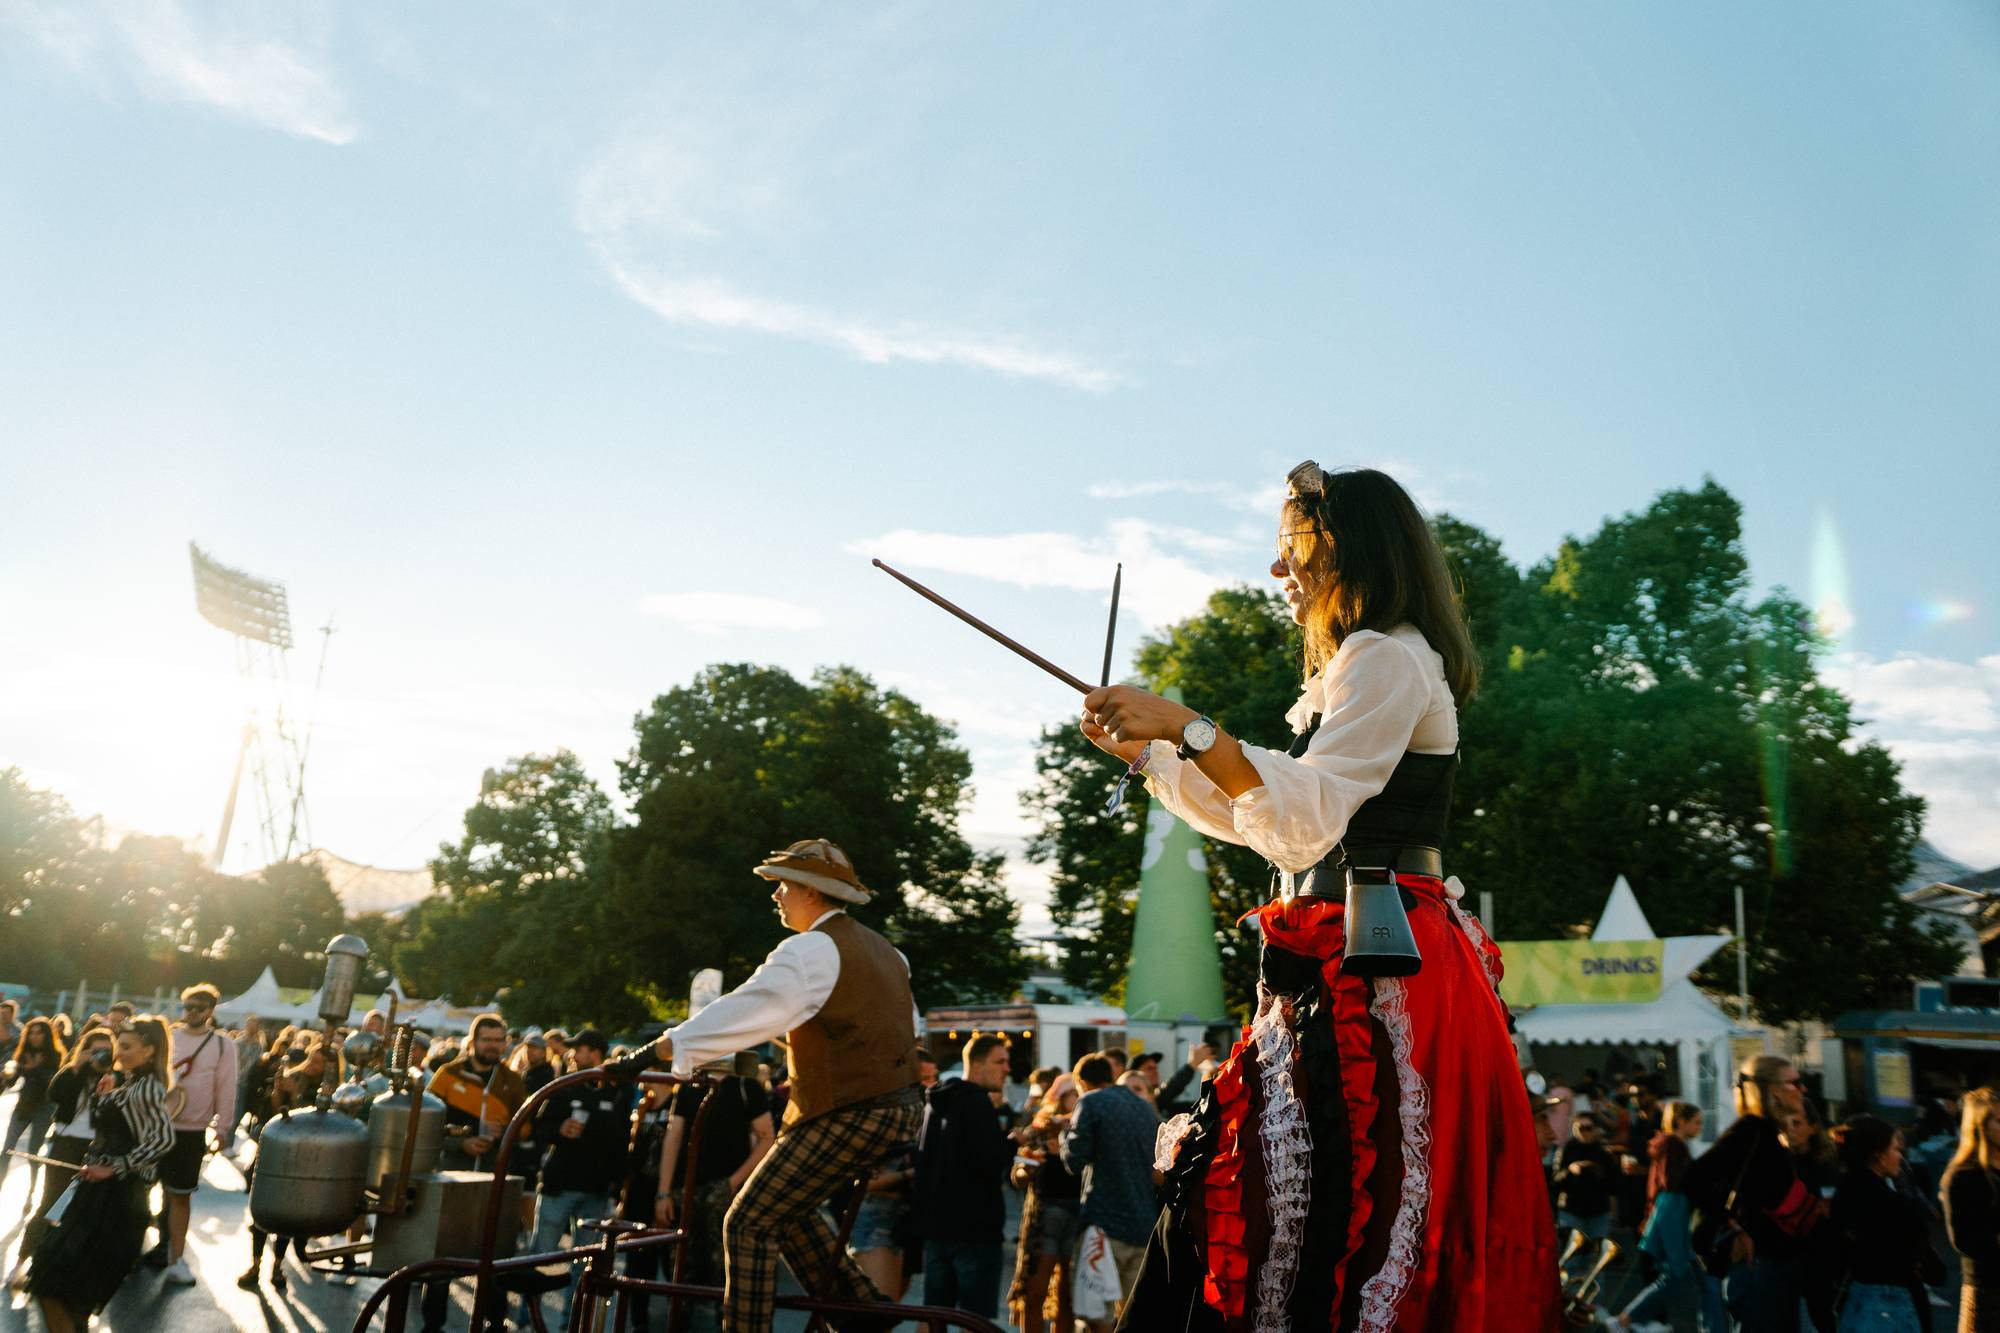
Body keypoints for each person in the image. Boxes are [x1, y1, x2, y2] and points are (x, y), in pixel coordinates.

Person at [1086, 462, 1559, 1330]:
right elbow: (1265, 819)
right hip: (1352, 955)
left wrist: (1188, 727)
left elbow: (1303, 817)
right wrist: (1154, 755)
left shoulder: (1386, 654)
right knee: (1309, 1209)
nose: (1279, 573)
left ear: (1345, 549)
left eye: (1290, 550)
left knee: (1328, 1213)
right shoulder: (1366, 662)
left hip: (1379, 965)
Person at [624, 837, 923, 1333]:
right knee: (786, 1208)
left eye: (783, 886)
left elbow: (742, 1008)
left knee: (745, 1224)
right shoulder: (885, 952)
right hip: (896, 1105)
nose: (775, 895)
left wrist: (652, 1053)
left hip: (851, 1109)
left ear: (810, 892)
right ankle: (861, 1312)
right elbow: (886, 1031)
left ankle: (768, 1326)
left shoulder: (810, 950)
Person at [26, 1015, 175, 1333]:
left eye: (126, 1046)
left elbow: (163, 1140)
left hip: (117, 1204)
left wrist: (113, 1167)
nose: (118, 1053)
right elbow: (111, 1132)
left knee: (53, 1284)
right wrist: (104, 1097)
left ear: (149, 1051)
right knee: (55, 1286)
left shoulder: (148, 1087)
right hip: (99, 1196)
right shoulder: (132, 1081)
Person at [1685, 1055, 1821, 1333]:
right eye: (1795, 1083)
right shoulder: (1752, 1129)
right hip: (1760, 1265)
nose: (1803, 1089)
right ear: (1774, 1090)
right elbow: (1694, 1178)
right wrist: (1733, 1226)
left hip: (1777, 1262)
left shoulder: (1769, 1132)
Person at [518, 1028, 633, 1327]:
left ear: (594, 1052)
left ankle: (573, 1322)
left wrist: (616, 1188)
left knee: (584, 1264)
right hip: (558, 1185)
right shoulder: (564, 1086)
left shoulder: (617, 1091)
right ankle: (526, 1319)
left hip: (595, 1191)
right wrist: (560, 1130)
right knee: (540, 1256)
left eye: (577, 1048)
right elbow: (540, 1127)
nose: (570, 1053)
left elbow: (623, 1142)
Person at [419, 1013, 526, 1332]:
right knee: (442, 1253)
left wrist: (505, 1132)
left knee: (496, 1250)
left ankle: (494, 1320)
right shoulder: (447, 1075)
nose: (493, 1047)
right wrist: (460, 1144)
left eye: (498, 1041)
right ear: (473, 1041)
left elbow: (526, 1131)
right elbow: (428, 1127)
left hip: (494, 1180)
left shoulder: (513, 1081)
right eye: (487, 1040)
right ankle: (432, 1324)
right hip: (452, 1178)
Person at [655, 1060, 776, 1332]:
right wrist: (664, 1192)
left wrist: (733, 1183)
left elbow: (768, 1138)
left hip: (726, 1195)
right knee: (680, 1270)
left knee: (725, 1272)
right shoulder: (691, 1085)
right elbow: (673, 1137)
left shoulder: (747, 1086)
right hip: (685, 1192)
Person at [912, 1033, 1017, 1319]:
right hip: (975, 1232)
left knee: (936, 1316)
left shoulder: (936, 1101)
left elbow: (924, 1158)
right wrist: (1014, 1142)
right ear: (978, 1064)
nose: (1007, 1069)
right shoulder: (977, 1103)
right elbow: (988, 1161)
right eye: (1000, 1061)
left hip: (937, 1230)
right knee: (975, 1321)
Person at [1063, 1053, 1165, 1331]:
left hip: (1103, 1226)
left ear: (1082, 1082)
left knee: (1094, 1314)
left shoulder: (1090, 1102)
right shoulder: (1144, 1107)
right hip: (1143, 1226)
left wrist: (1064, 1137)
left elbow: (1074, 1161)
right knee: (1136, 1316)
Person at [10, 1026, 112, 1287]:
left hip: (99, 1147)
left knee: (84, 1209)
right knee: (50, 1202)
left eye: (106, 1052)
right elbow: (54, 1096)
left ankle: (61, 1267)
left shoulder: (116, 1077)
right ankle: (22, 1261)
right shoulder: (72, 1073)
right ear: (85, 1051)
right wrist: (77, 1069)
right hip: (67, 1141)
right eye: (96, 1051)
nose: (101, 1057)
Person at [239, 1030, 337, 1291]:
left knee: (285, 1216)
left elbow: (321, 1125)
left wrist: (295, 1098)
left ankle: (277, 1265)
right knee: (260, 1212)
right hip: (274, 1151)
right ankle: (255, 1263)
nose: (313, 1066)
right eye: (312, 1059)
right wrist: (279, 1092)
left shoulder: (331, 1092)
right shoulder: (294, 1076)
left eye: (320, 1063)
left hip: (304, 1157)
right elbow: (271, 1113)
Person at [152, 982, 236, 1285]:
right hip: (156, 1125)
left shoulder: (223, 1045)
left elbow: (227, 1086)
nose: (192, 1013)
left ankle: (176, 1258)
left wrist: (223, 1126)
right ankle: (139, 1247)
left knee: (180, 1196)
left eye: (199, 1008)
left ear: (211, 1010)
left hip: (191, 1130)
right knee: (141, 1189)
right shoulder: (170, 1036)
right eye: (187, 1007)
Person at [1824, 1115, 1941, 1333]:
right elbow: (1918, 1237)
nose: (1900, 1156)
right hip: (1890, 1302)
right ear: (1878, 1156)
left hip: (1857, 1299)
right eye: (1895, 1150)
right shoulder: (1888, 1200)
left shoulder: (1844, 1193)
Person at [1616, 1101, 1706, 1333]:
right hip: (1673, 1214)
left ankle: (1629, 1318)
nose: (1700, 1128)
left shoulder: (1669, 1145)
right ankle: (1627, 1318)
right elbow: (1670, 1180)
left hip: (1669, 1213)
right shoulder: (1673, 1146)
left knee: (1688, 1274)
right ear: (1682, 1122)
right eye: (1696, 1122)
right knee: (1675, 1274)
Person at [1008, 1074, 1080, 1333]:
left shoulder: (1086, 1129)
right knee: (1034, 1289)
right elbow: (1017, 1173)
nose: (1077, 1098)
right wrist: (1026, 1171)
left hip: (1078, 1215)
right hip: (1044, 1214)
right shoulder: (1039, 1129)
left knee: (1068, 1296)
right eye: (1073, 1093)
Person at [1942, 1087, 2000, 1333]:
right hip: (1986, 1290)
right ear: (1981, 1126)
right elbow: (1963, 1240)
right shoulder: (1963, 1176)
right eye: (1999, 1120)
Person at [620, 1080, 675, 1333]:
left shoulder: (678, 1104)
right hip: (639, 1192)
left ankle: (677, 1318)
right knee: (638, 1256)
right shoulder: (645, 1105)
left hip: (665, 1192)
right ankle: (638, 1320)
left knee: (670, 1258)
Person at [2, 1016, 66, 1186]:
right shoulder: (24, 1053)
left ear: (46, 1035)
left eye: (39, 1033)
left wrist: (35, 1069)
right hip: (23, 1106)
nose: (34, 1037)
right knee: (7, 1150)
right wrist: (7, 1075)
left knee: (32, 1153)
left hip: (44, 1108)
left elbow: (53, 1083)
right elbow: (12, 1082)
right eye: (31, 1033)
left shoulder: (55, 1055)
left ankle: (31, 1192)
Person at [1556, 1115, 1616, 1244]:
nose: (1585, 1132)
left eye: (1589, 1128)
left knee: (1598, 1256)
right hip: (1572, 1210)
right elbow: (1555, 1181)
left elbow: (1614, 1184)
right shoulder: (1566, 1150)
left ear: (1595, 1129)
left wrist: (1600, 1172)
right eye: (1581, 1128)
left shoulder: (1602, 1151)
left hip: (1598, 1211)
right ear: (1574, 1129)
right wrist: (1570, 1170)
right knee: (1573, 1258)